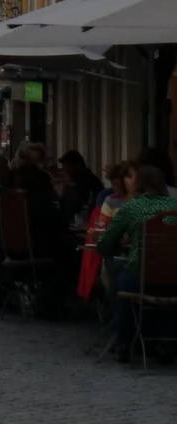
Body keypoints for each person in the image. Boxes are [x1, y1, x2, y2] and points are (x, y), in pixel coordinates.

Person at [97, 166, 177, 363]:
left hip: (140, 273)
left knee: (122, 283)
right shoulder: (174, 206)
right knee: (164, 286)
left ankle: (124, 343)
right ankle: (165, 342)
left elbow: (105, 244)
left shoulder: (131, 207)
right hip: (172, 275)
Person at [58, 149, 103, 219]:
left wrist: (63, 194)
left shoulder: (86, 182)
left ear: (77, 167)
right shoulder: (84, 179)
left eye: (67, 170)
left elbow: (74, 208)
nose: (66, 173)